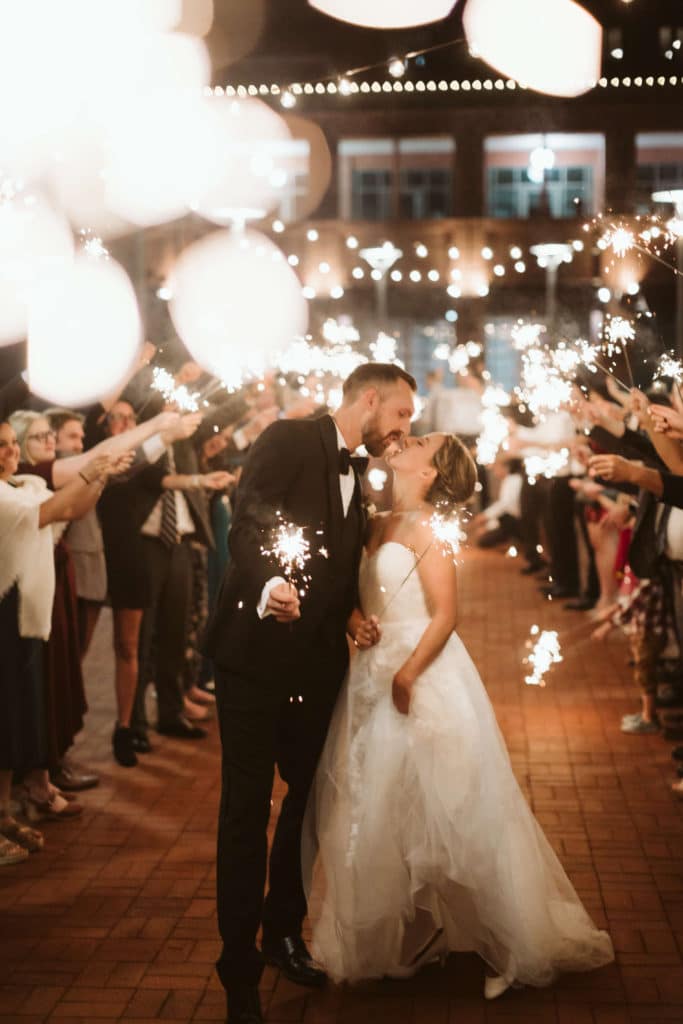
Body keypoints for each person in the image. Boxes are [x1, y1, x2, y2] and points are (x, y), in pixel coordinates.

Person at [306, 431, 614, 996]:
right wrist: (354, 620)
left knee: (457, 812)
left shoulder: (431, 531)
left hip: (422, 674)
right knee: (384, 805)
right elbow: (352, 595)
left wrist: (407, 673)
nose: (407, 438)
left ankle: (516, 943)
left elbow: (446, 615)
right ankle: (418, 930)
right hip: (371, 674)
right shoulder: (374, 521)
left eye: (420, 440)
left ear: (428, 473)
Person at [205, 362, 417, 1024]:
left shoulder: (358, 473)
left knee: (307, 800)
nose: (406, 430)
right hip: (252, 660)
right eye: (404, 415)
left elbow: (335, 563)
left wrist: (351, 610)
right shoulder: (290, 438)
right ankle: (237, 968)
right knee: (246, 809)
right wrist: (272, 583)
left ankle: (283, 931)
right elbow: (246, 523)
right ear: (372, 398)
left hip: (317, 668)